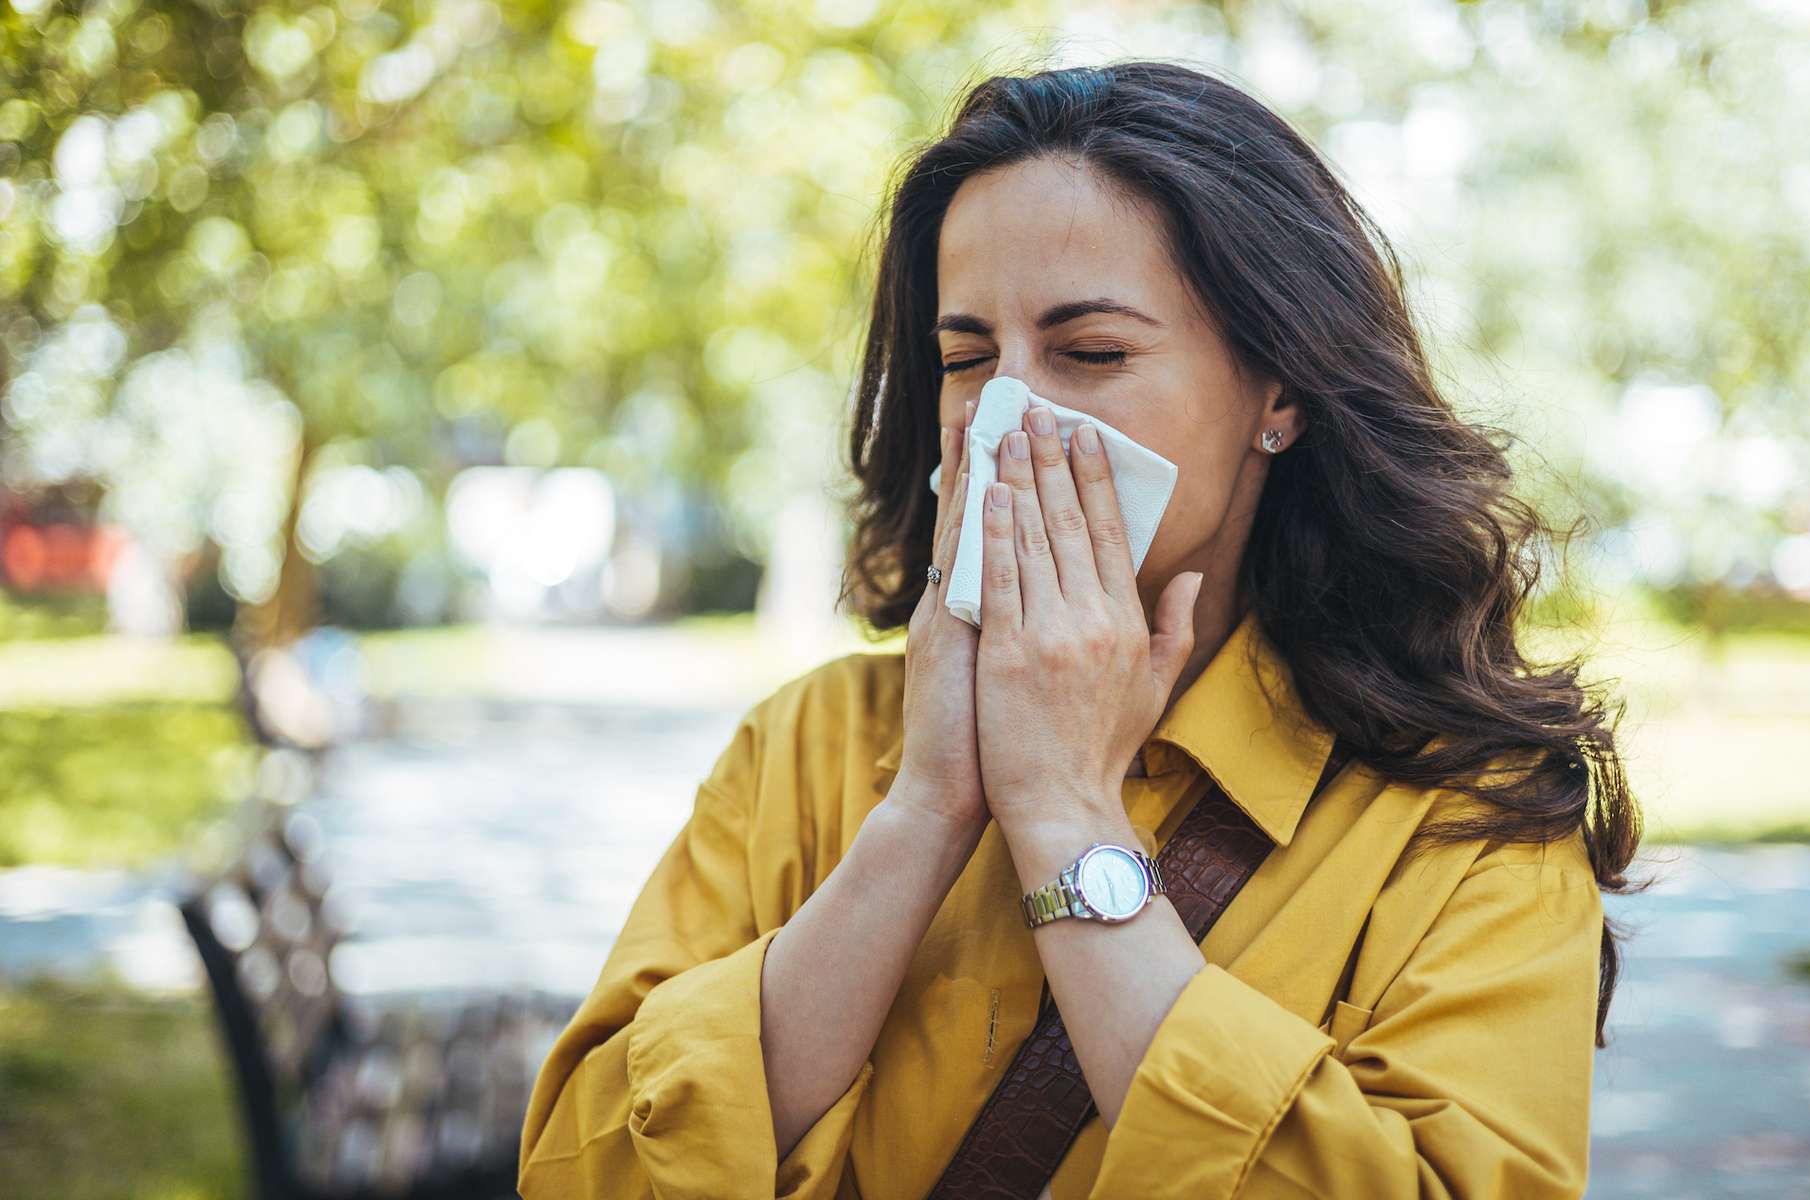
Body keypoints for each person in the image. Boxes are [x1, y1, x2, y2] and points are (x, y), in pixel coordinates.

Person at [519, 59, 1643, 1199]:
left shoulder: (1466, 821)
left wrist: (1065, 815)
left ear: (1281, 392)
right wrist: (922, 813)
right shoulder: (803, 749)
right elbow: (582, 1169)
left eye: (1092, 353)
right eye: (967, 361)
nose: (1011, 414)